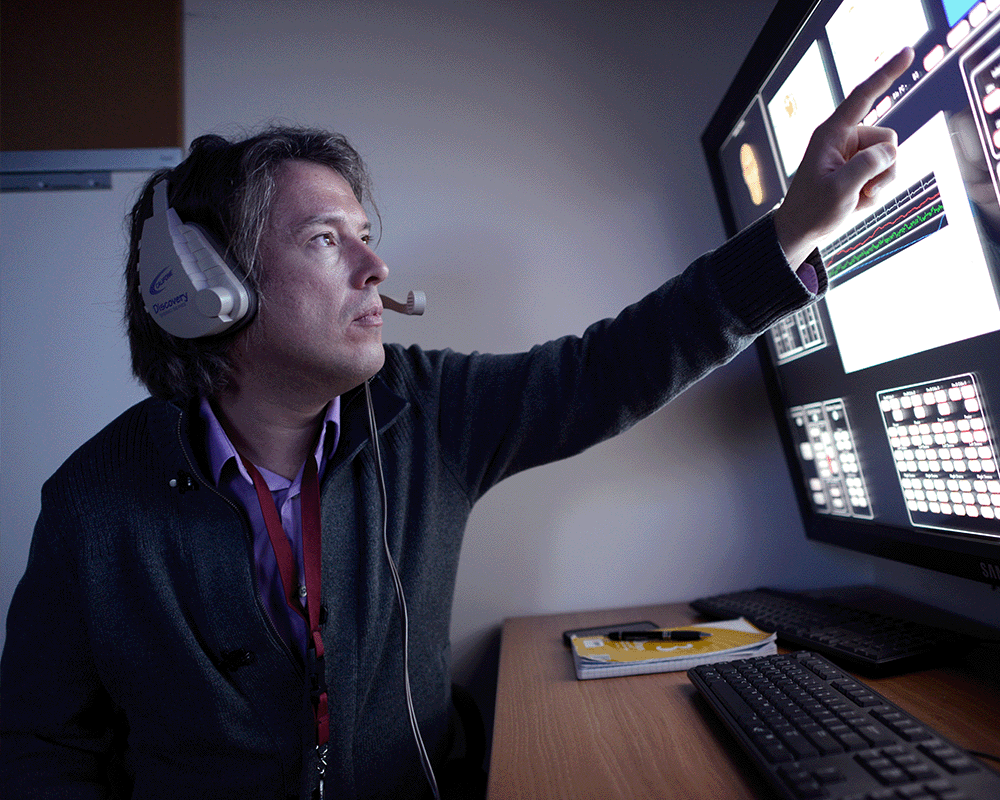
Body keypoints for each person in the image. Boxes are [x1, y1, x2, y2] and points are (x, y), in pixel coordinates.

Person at [0, 49, 914, 800]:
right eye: (327, 239)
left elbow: (611, 367)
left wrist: (791, 231)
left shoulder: (424, 411)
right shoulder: (92, 505)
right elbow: (41, 747)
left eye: (365, 232)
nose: (375, 266)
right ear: (206, 292)